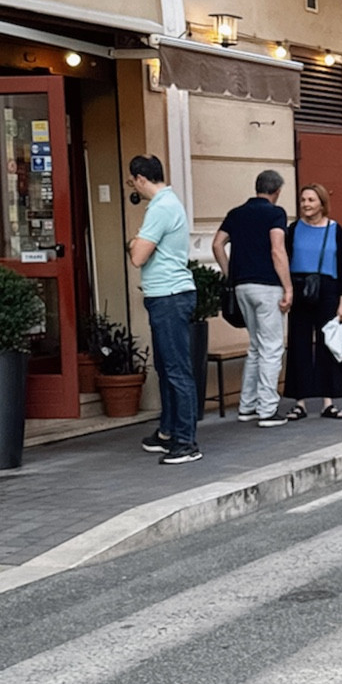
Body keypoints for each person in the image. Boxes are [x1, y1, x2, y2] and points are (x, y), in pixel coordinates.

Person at [126, 154, 201, 466]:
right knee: (167, 367)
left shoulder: (161, 207)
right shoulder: (167, 203)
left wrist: (133, 243)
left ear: (141, 179)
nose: (133, 186)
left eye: (133, 181)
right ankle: (169, 431)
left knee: (176, 370)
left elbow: (138, 256)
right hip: (166, 295)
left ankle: (186, 441)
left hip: (169, 297)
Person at [213, 168, 293, 427]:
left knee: (256, 347)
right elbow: (277, 250)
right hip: (267, 286)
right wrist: (288, 287)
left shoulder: (236, 213)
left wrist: (230, 274)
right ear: (277, 191)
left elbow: (217, 244)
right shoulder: (275, 213)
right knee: (271, 348)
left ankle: (246, 406)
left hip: (241, 287)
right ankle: (267, 410)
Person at [281, 183, 342, 420]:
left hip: (328, 289)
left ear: (322, 203)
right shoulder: (293, 230)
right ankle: (299, 402)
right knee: (299, 344)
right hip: (301, 288)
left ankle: (328, 401)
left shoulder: (335, 230)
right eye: (303, 200)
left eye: (311, 200)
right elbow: (285, 259)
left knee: (328, 344)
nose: (306, 204)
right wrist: (287, 290)